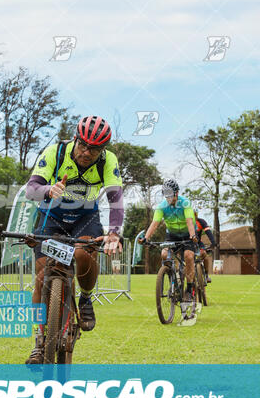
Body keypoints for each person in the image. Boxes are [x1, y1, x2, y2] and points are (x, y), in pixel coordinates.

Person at [24, 115, 124, 364]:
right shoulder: (55, 152)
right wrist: (47, 190)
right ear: (75, 139)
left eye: (95, 148)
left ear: (103, 150)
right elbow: (30, 189)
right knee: (39, 278)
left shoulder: (107, 161)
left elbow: (116, 199)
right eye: (83, 145)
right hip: (51, 217)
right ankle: (39, 338)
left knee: (83, 253)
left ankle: (86, 297)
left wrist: (114, 232)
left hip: (84, 219)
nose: (87, 152)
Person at [141, 179, 198, 302]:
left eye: (170, 195)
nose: (168, 198)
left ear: (177, 193)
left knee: (188, 256)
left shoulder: (185, 203)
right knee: (164, 254)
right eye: (166, 196)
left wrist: (193, 236)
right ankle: (172, 279)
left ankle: (189, 289)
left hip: (188, 233)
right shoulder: (162, 206)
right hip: (172, 234)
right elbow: (154, 223)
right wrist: (146, 238)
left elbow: (189, 222)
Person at [194, 211, 217, 283]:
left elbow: (208, 232)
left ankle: (206, 275)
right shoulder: (184, 222)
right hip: (187, 243)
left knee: (204, 255)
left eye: (194, 214)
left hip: (198, 244)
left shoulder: (201, 221)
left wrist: (213, 242)